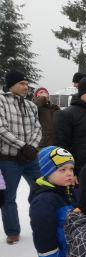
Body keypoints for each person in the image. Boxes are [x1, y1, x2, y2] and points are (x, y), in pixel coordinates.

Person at [0, 69, 42, 244]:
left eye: (27, 83)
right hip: (9, 159)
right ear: (11, 85)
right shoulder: (1, 101)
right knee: (8, 197)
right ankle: (12, 231)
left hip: (31, 158)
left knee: (41, 190)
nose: (26, 87)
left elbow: (37, 128)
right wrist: (22, 146)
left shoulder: (31, 105)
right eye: (22, 84)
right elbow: (1, 128)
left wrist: (31, 147)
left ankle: (41, 224)